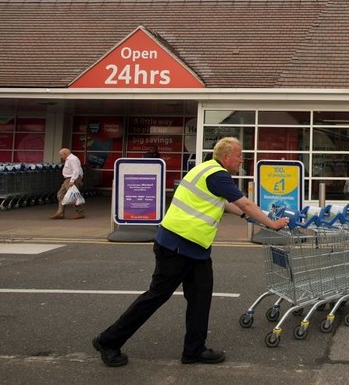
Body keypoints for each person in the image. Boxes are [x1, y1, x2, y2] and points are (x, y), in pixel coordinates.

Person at [92, 137, 290, 367]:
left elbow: (223, 203)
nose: (241, 160)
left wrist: (246, 217)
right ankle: (108, 340)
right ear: (226, 157)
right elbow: (245, 203)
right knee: (156, 296)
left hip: (195, 249)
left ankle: (194, 350)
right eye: (239, 155)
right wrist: (271, 224)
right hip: (176, 246)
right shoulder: (217, 174)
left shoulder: (205, 170)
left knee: (200, 297)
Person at [50, 148, 84, 220]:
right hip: (68, 179)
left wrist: (72, 180)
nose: (61, 157)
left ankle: (80, 212)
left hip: (71, 178)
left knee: (73, 196)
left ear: (65, 154)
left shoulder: (72, 159)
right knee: (60, 194)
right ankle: (60, 213)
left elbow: (76, 170)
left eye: (61, 155)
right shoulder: (69, 159)